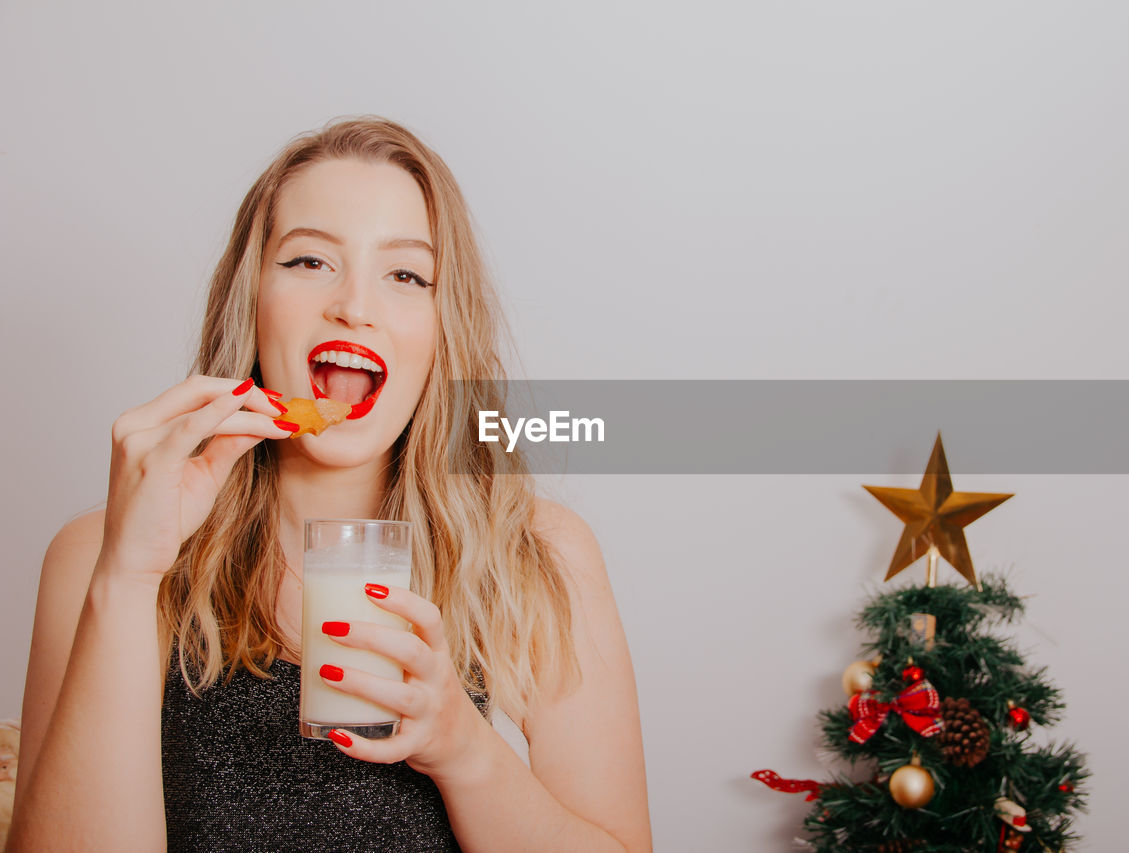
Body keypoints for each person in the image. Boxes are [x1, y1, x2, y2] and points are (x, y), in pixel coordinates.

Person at [8, 117, 651, 852]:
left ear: (444, 331)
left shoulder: (538, 552)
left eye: (406, 274)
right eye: (310, 261)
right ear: (251, 301)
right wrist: (127, 576)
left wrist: (461, 746)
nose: (355, 305)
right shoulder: (99, 552)